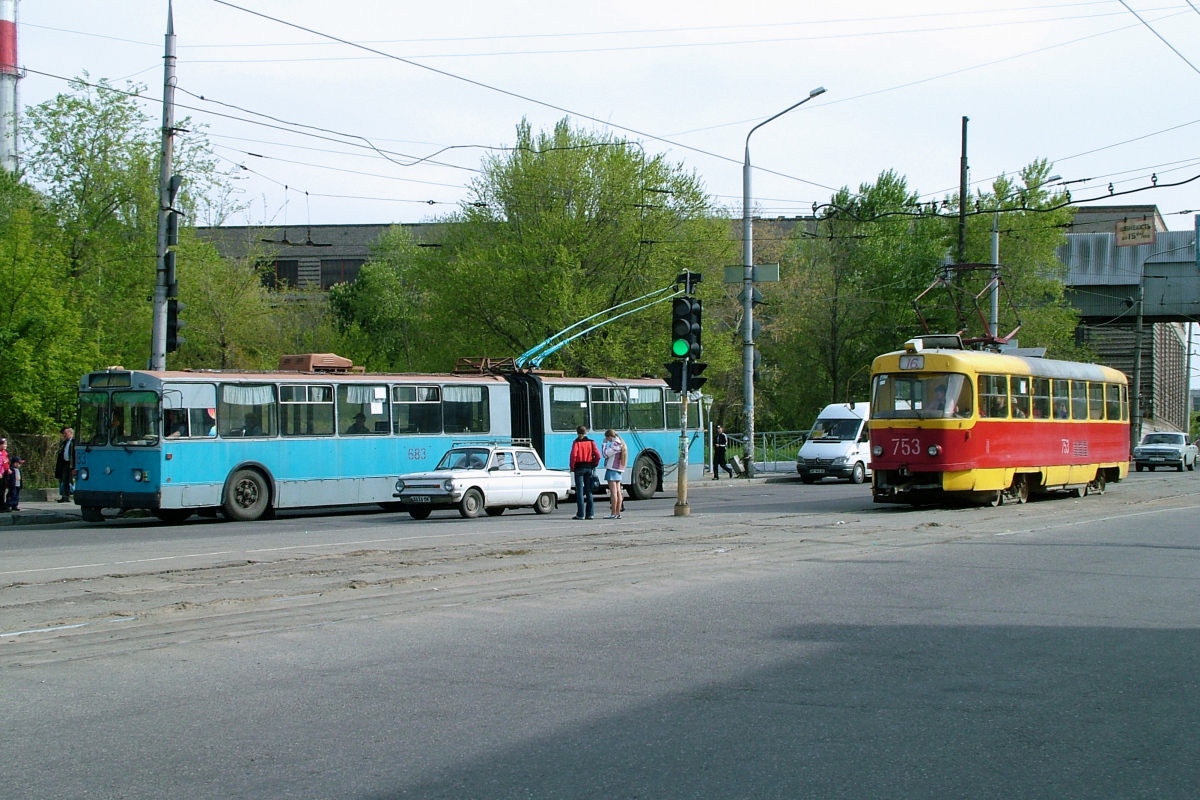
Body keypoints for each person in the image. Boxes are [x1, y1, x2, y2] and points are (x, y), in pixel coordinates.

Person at [568, 425, 601, 520]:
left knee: (580, 491)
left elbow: (573, 455)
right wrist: (594, 464)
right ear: (585, 432)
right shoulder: (591, 442)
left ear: (577, 432)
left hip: (579, 468)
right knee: (589, 491)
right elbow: (597, 455)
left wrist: (572, 467)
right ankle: (590, 514)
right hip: (589, 467)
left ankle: (580, 514)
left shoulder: (576, 443)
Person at [601, 429, 626, 519]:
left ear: (609, 437)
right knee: (618, 492)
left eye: (607, 438)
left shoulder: (615, 444)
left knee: (614, 493)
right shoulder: (621, 443)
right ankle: (617, 513)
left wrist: (604, 444)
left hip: (612, 469)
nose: (608, 440)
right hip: (618, 470)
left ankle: (613, 513)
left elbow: (605, 454)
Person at [55, 426, 75, 502]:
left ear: (70, 433)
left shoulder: (74, 442)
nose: (64, 435)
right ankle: (65, 496)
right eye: (64, 434)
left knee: (70, 480)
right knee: (64, 480)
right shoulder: (64, 442)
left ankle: (70, 495)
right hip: (65, 463)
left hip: (72, 463)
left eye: (65, 433)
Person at [0, 438, 9, 510]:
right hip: (1, 473)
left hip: (4, 473)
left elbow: (5, 463)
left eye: (5, 444)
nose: (5, 445)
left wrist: (8, 469)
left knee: (3, 490)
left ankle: (3, 505)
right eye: (3, 444)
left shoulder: (4, 453)